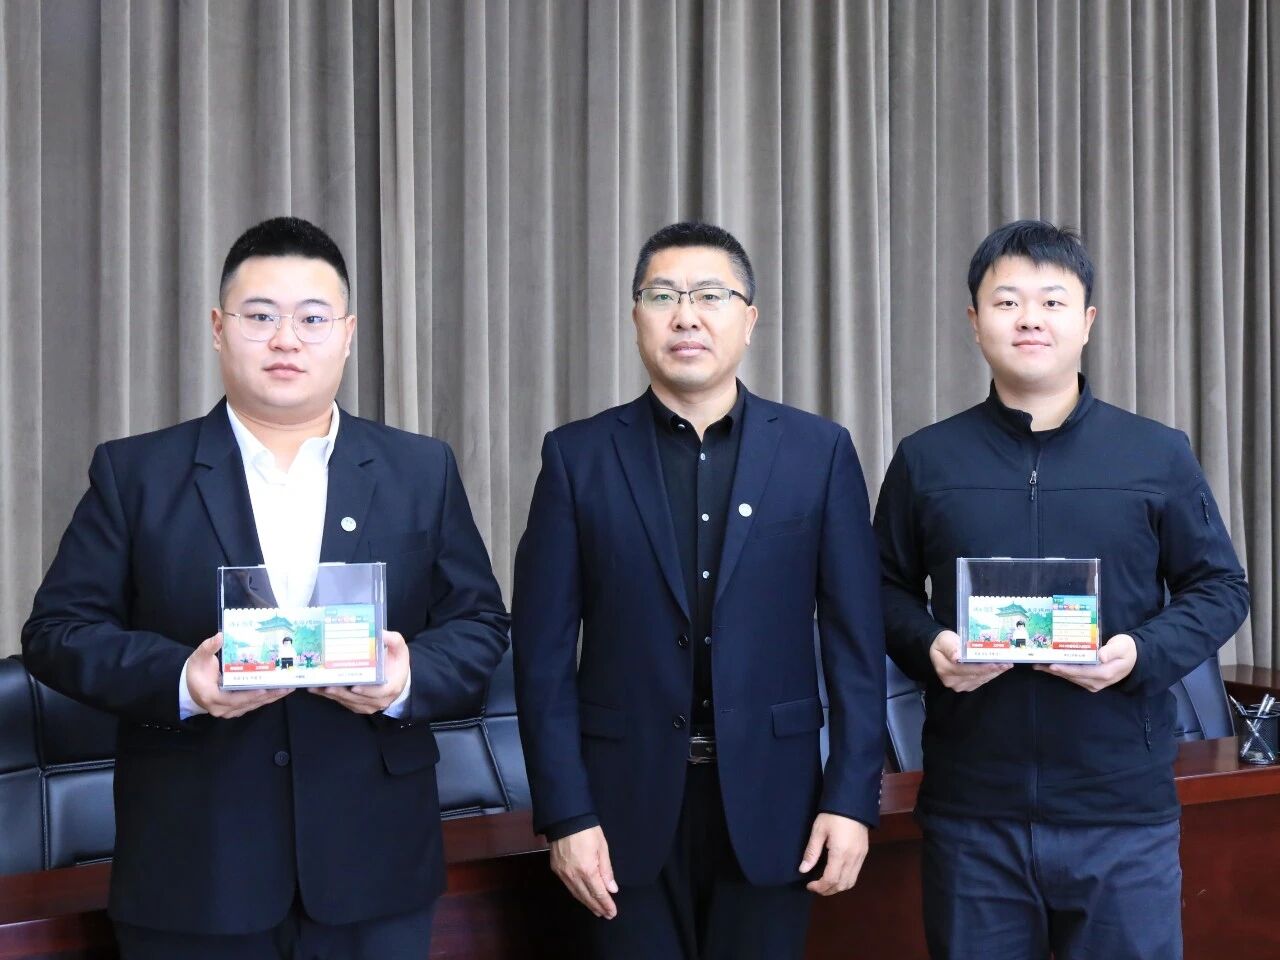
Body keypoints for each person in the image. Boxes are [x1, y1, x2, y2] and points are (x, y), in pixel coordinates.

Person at [22, 216, 510, 959]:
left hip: (372, 864)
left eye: (312, 318)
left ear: (347, 334)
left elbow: (479, 623)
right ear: (219, 329)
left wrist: (408, 678)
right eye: (260, 316)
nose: (286, 340)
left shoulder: (420, 469)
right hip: (195, 865)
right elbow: (57, 634)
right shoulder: (137, 474)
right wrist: (182, 680)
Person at [874, 219, 1249, 959]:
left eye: (1052, 301)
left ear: (1087, 320)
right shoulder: (927, 459)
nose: (1030, 319)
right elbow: (878, 587)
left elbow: (1220, 587)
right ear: (974, 320)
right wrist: (930, 644)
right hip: (973, 815)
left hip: (1122, 812)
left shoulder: (1156, 454)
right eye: (1007, 301)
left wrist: (1139, 653)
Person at [512, 221, 886, 960]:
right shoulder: (577, 458)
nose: (686, 315)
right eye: (663, 296)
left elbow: (856, 645)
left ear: (749, 319)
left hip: (777, 806)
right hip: (619, 812)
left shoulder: (818, 452)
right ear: (636, 318)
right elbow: (542, 656)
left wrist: (852, 799)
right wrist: (565, 814)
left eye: (710, 295)